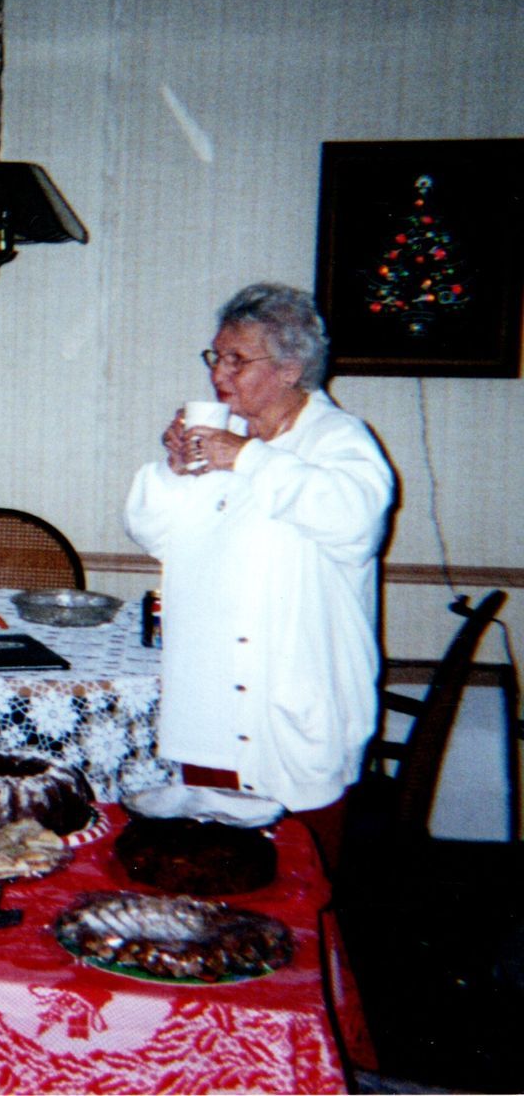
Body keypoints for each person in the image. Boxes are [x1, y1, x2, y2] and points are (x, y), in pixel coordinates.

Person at [125, 282, 393, 869]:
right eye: (215, 357)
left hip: (290, 708)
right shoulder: (227, 438)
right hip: (212, 707)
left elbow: (351, 519)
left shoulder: (340, 441)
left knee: (297, 884)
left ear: (291, 368)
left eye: (236, 359)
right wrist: (176, 471)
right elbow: (153, 533)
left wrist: (244, 458)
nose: (219, 371)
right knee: (212, 877)